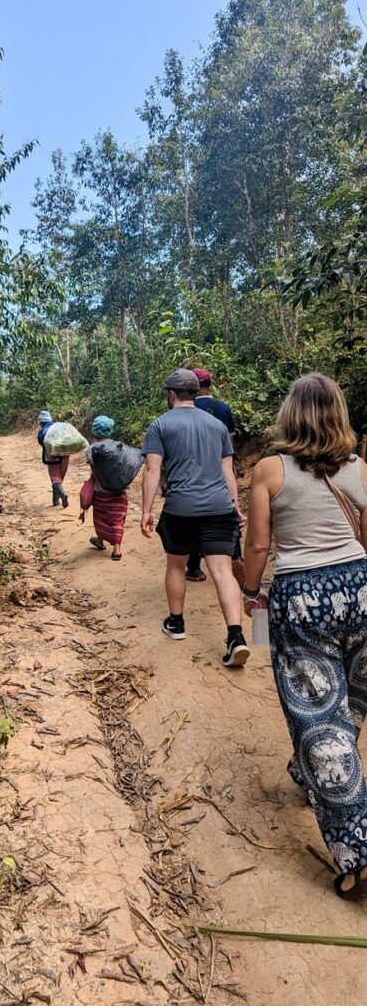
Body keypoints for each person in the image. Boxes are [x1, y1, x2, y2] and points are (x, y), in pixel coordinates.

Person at [242, 373, 367, 900]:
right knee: (354, 694)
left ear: (290, 414)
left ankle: (357, 849)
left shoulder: (269, 470)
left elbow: (258, 543)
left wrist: (252, 591)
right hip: (361, 587)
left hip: (302, 595)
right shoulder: (360, 467)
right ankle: (306, 768)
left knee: (319, 715)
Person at [141, 368, 249, 666]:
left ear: (172, 394)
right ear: (196, 392)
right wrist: (235, 506)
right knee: (222, 571)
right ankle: (236, 636)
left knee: (176, 566)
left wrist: (147, 511)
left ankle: (176, 623)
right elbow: (228, 472)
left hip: (180, 508)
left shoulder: (160, 425)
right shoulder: (216, 426)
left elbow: (152, 471)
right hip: (218, 507)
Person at [186, 368, 238, 582]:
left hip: (191, 474)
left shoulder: (182, 409)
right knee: (228, 516)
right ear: (210, 384)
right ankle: (235, 560)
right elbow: (231, 446)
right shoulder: (223, 408)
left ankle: (194, 568)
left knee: (192, 521)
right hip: (220, 473)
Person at [84, 415, 127, 561]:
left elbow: (94, 469)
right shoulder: (118, 446)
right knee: (117, 517)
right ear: (110, 430)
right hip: (118, 489)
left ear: (94, 432)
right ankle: (116, 549)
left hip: (100, 490)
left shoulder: (92, 449)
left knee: (101, 517)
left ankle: (101, 541)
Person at [37, 410, 69, 508]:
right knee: (60, 478)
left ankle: (62, 495)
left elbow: (42, 443)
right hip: (65, 455)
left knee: (55, 479)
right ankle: (56, 501)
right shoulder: (59, 427)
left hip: (52, 457)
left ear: (41, 422)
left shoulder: (42, 431)